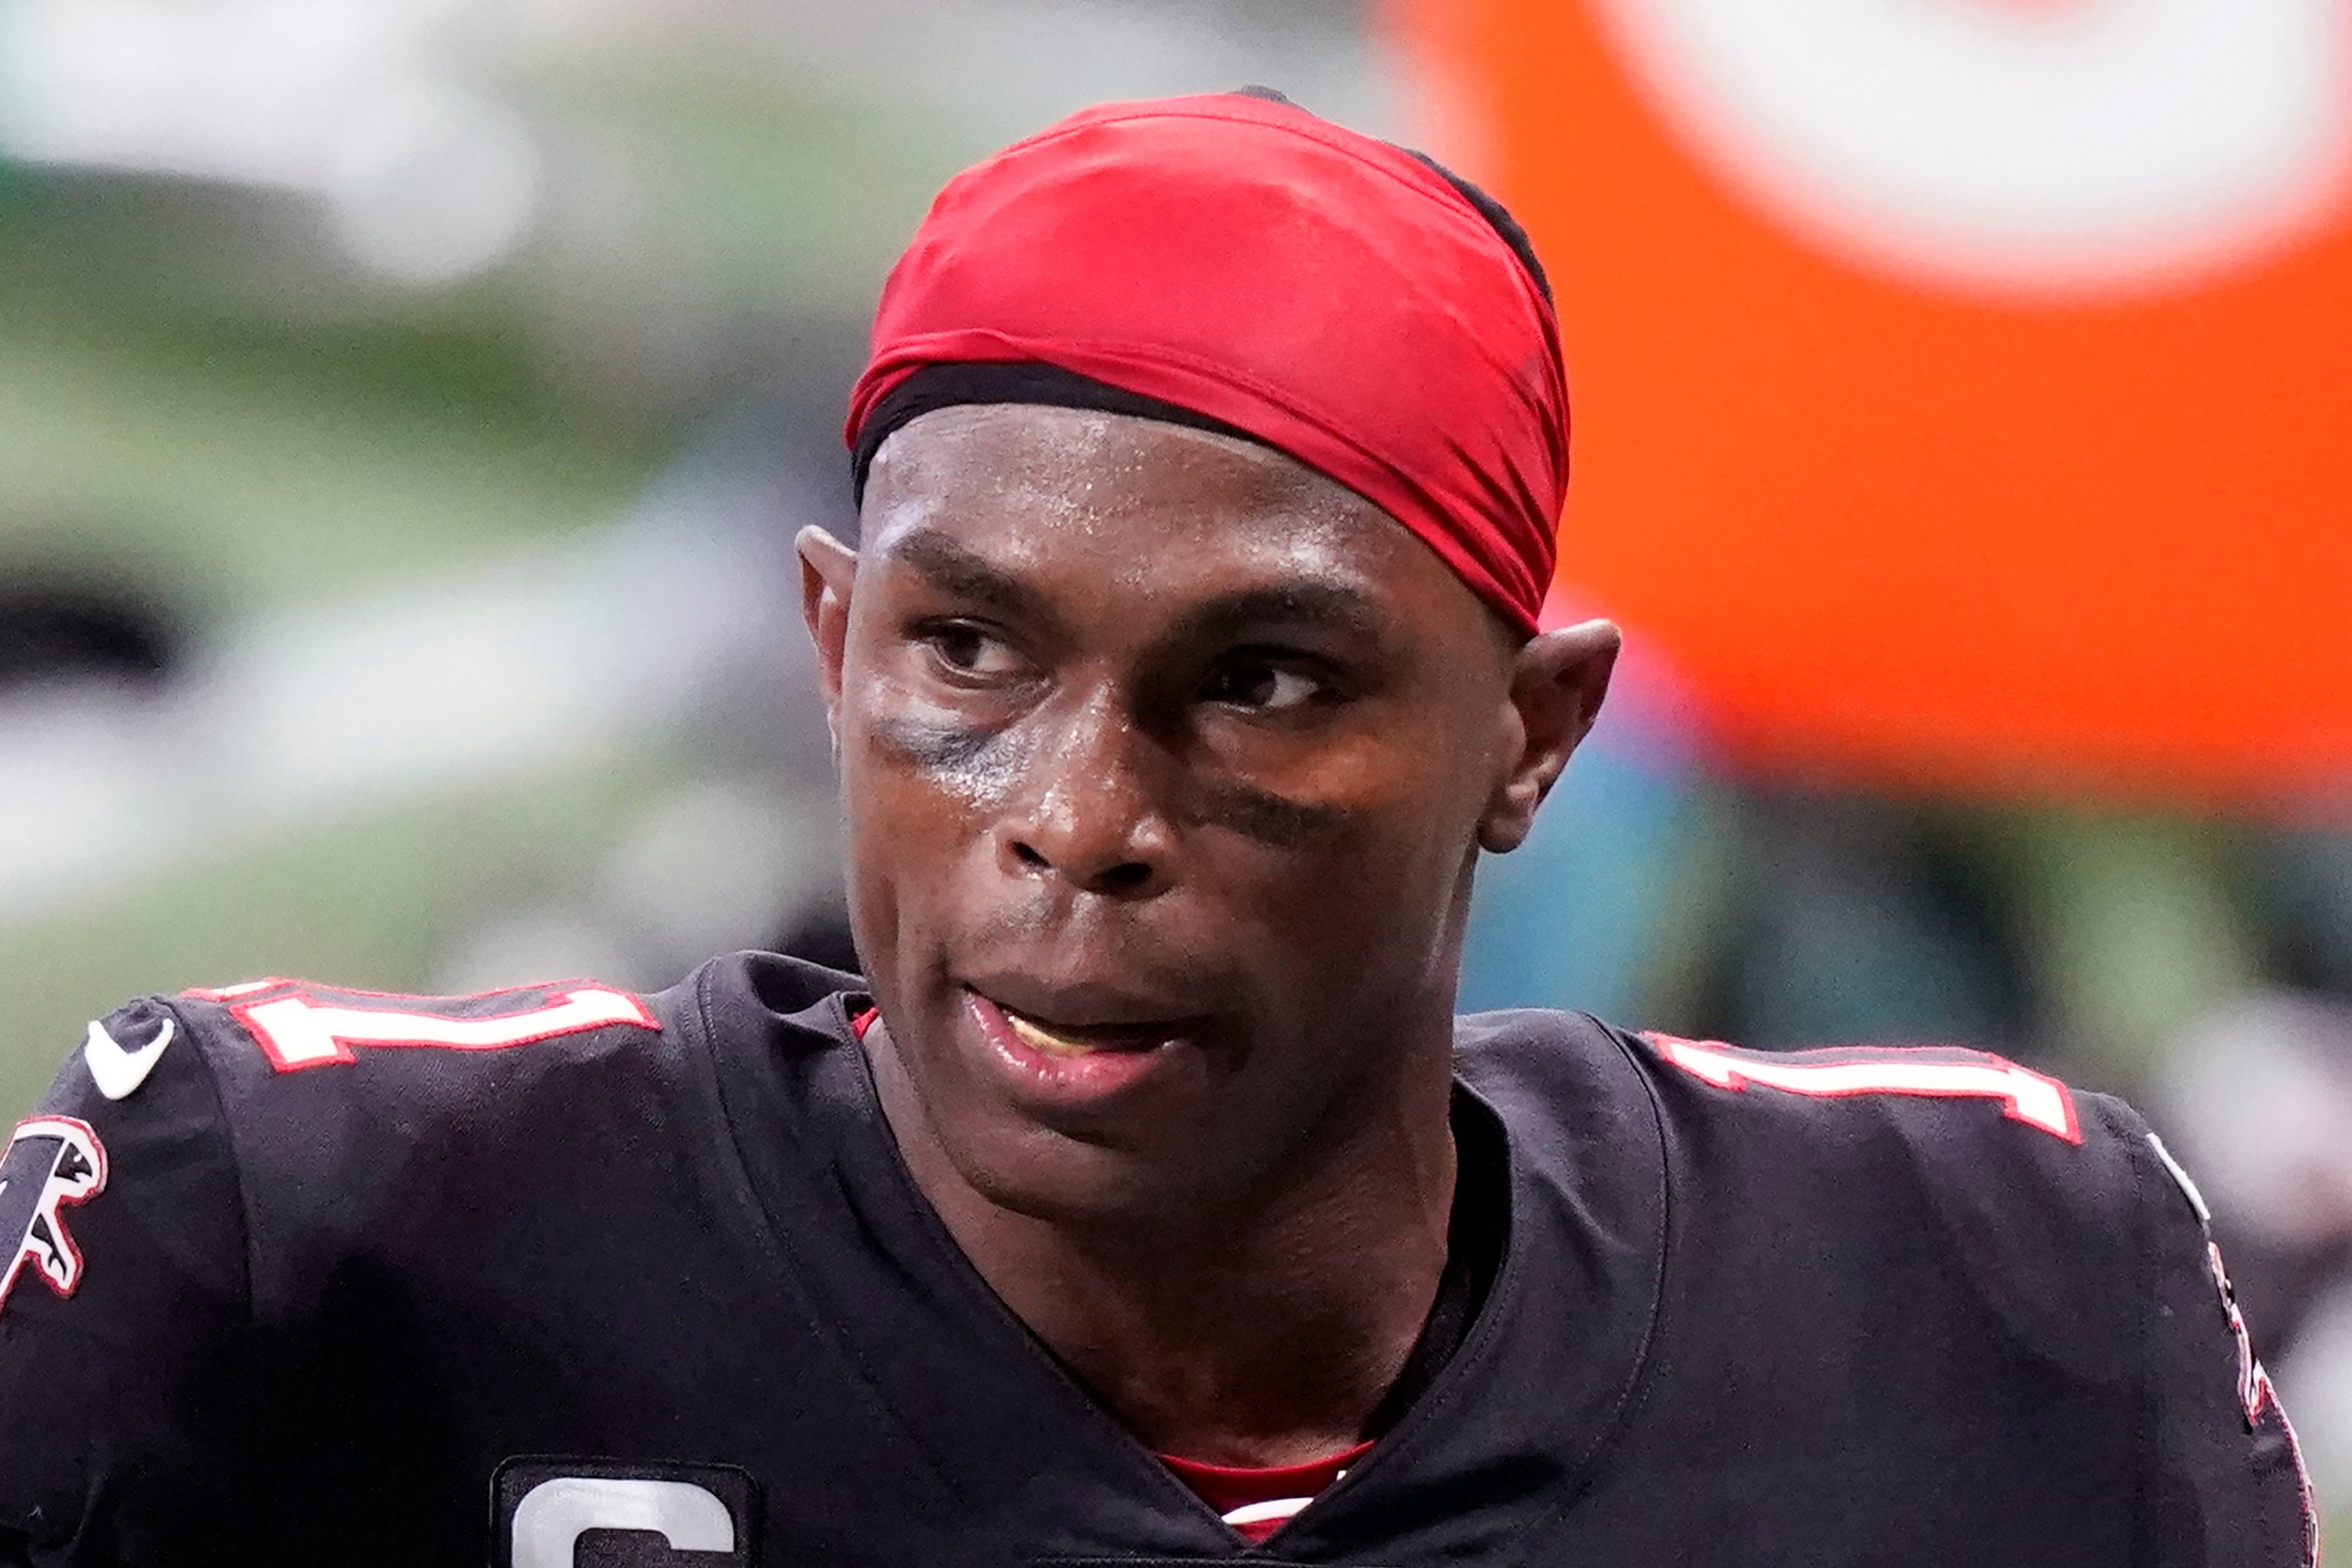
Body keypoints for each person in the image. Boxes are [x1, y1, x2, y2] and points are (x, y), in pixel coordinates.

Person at [0, 92, 2315, 1566]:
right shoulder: (299, 1235)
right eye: (972, 658)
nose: (1079, 825)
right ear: (833, 650)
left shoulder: (1992, 1294)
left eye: (1264, 684)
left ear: (1529, 738)